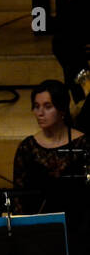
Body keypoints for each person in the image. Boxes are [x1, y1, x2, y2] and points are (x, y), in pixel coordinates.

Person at [13, 80, 89, 218]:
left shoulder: (83, 144)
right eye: (36, 106)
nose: (40, 113)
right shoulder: (27, 148)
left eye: (47, 106)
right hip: (38, 229)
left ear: (62, 109)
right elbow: (18, 199)